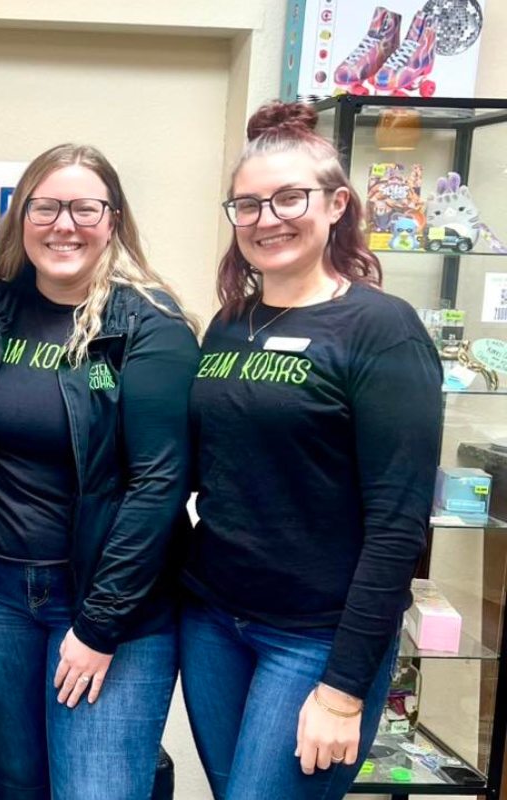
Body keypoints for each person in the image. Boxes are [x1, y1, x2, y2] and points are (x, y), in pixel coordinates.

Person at [180, 101, 443, 800]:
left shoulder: (383, 331)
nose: (268, 218)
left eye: (289, 198)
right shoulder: (230, 325)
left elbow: (398, 525)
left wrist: (344, 690)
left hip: (315, 638)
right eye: (248, 204)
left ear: (336, 205)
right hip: (214, 621)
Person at [0, 144, 199, 800]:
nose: (65, 224)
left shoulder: (152, 325)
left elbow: (158, 484)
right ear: (21, 218)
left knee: (96, 790)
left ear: (113, 219)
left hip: (106, 605)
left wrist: (98, 624)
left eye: (85, 208)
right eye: (47, 207)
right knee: (16, 783)